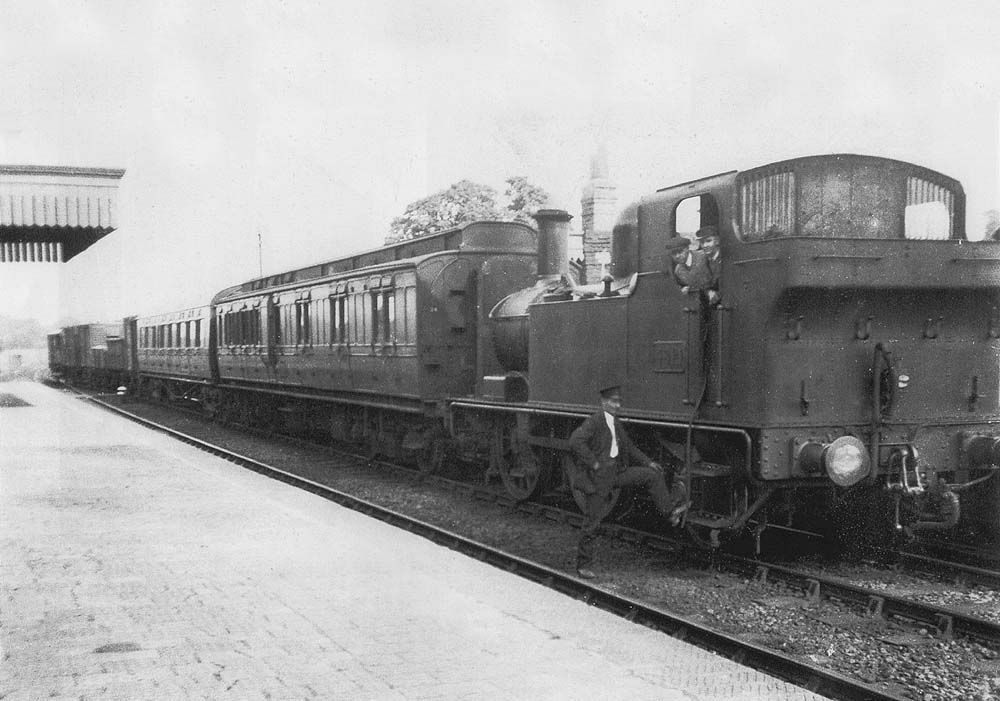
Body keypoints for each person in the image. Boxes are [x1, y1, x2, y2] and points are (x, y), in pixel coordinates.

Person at [568, 385, 690, 579]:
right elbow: (575, 441)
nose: (617, 405)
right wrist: (594, 464)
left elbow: (629, 447)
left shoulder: (615, 423)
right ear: (603, 402)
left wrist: (648, 462)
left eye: (618, 402)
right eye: (613, 402)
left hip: (617, 472)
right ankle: (583, 566)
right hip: (599, 478)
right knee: (591, 522)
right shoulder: (595, 421)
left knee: (651, 476)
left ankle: (669, 511)